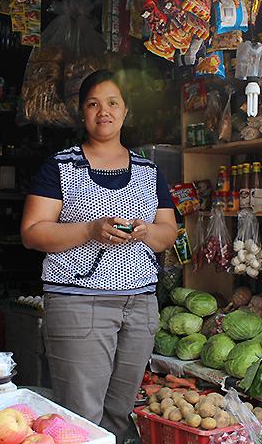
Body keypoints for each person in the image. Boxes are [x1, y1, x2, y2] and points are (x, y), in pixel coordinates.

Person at [20, 69, 177, 443]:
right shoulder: (61, 166)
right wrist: (90, 229)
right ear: (82, 113)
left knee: (120, 415)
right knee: (80, 418)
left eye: (112, 103)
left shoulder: (148, 170)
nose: (102, 111)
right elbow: (32, 232)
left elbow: (168, 232)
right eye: (93, 104)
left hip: (138, 305)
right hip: (79, 303)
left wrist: (145, 232)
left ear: (125, 112)